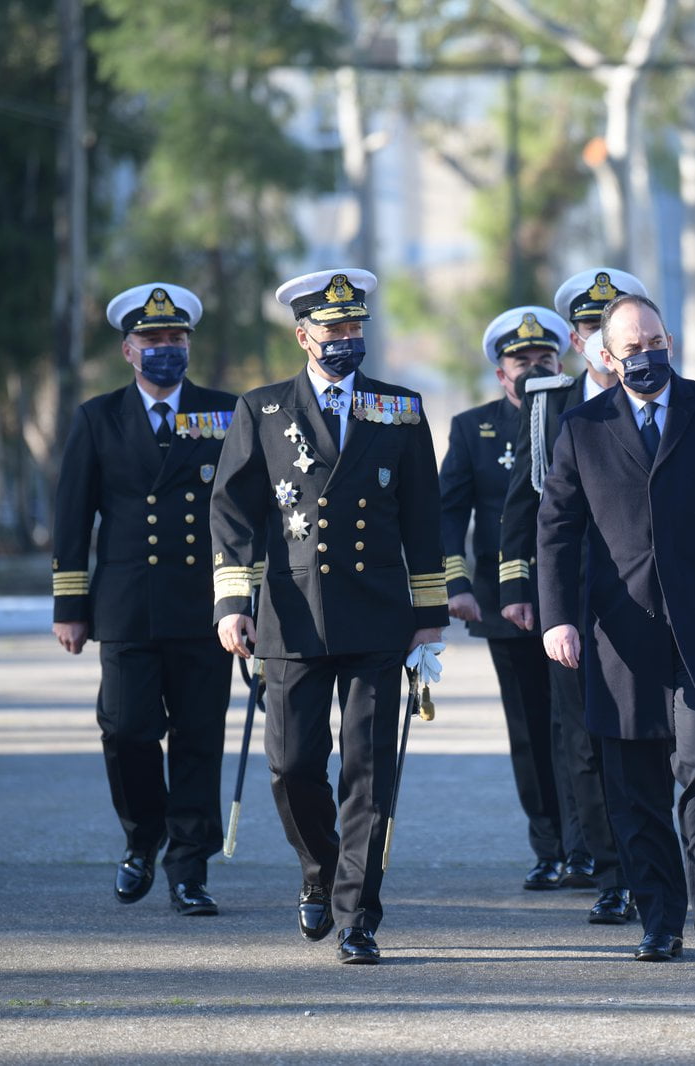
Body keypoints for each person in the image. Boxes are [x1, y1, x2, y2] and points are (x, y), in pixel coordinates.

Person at [209, 268, 447, 964]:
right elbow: (232, 510)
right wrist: (232, 603)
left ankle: (357, 915)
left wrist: (429, 615)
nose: (347, 338)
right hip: (293, 616)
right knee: (291, 766)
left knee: (369, 770)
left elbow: (423, 517)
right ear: (302, 336)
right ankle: (320, 869)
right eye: (333, 328)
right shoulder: (263, 409)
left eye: (354, 326)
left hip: (377, 616)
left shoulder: (399, 408)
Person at [536, 294, 695, 961]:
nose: (646, 355)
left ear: (669, 340)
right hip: (622, 635)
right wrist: (557, 618)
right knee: (635, 784)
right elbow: (556, 531)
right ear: (607, 357)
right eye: (631, 348)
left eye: (654, 342)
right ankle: (660, 919)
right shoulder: (582, 427)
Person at [51, 282, 236, 916]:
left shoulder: (225, 413)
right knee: (126, 729)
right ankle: (142, 837)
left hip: (204, 606)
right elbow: (72, 516)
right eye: (153, 339)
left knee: (198, 738)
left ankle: (189, 868)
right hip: (126, 605)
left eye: (176, 338)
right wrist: (70, 606)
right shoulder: (97, 417)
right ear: (128, 350)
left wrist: (248, 601)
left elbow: (248, 511)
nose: (166, 348)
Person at [497, 267, 648, 926]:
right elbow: (524, 506)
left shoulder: (659, 392)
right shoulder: (549, 404)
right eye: (589, 327)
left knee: (651, 738)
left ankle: (651, 861)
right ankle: (610, 874)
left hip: (645, 596)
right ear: (580, 340)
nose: (599, 337)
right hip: (573, 597)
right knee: (581, 740)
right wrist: (521, 590)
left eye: (609, 324)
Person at [440, 305, 570, 891]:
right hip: (505, 602)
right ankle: (549, 846)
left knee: (580, 727)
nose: (534, 367)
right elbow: (449, 512)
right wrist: (457, 584)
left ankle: (591, 847)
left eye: (545, 357)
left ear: (561, 365)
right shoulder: (474, 428)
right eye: (522, 360)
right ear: (501, 373)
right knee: (531, 727)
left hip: (574, 597)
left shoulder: (581, 414)